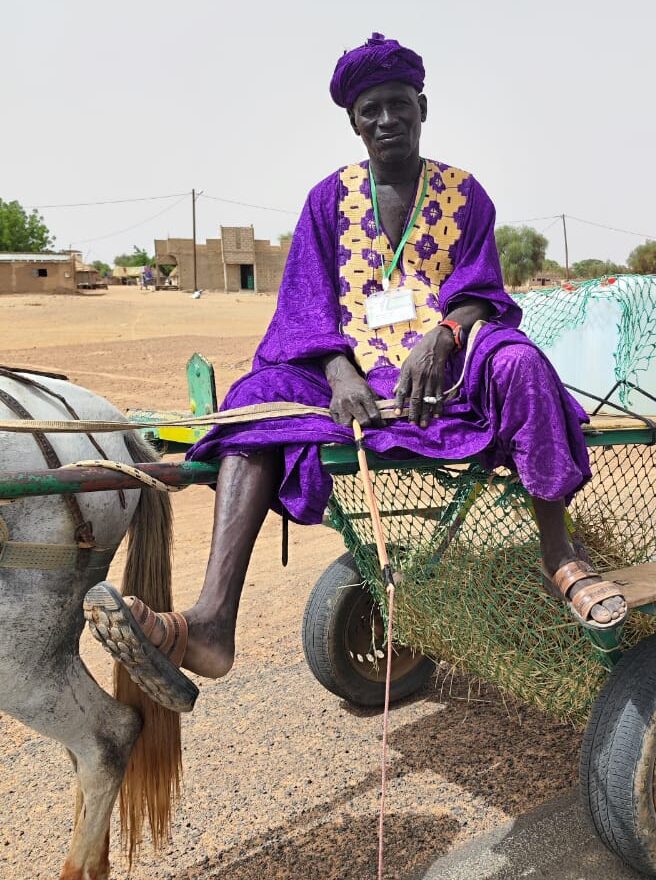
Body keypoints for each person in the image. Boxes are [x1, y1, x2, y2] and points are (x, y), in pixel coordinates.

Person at [85, 33, 627, 712]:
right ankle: (213, 619)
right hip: (351, 379)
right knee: (257, 400)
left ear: (422, 106)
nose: (386, 121)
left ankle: (560, 554)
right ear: (353, 120)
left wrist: (449, 333)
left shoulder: (465, 194)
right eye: (370, 110)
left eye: (398, 105)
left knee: (519, 362)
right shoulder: (326, 199)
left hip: (446, 371)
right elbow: (304, 305)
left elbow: (481, 288)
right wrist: (339, 373)